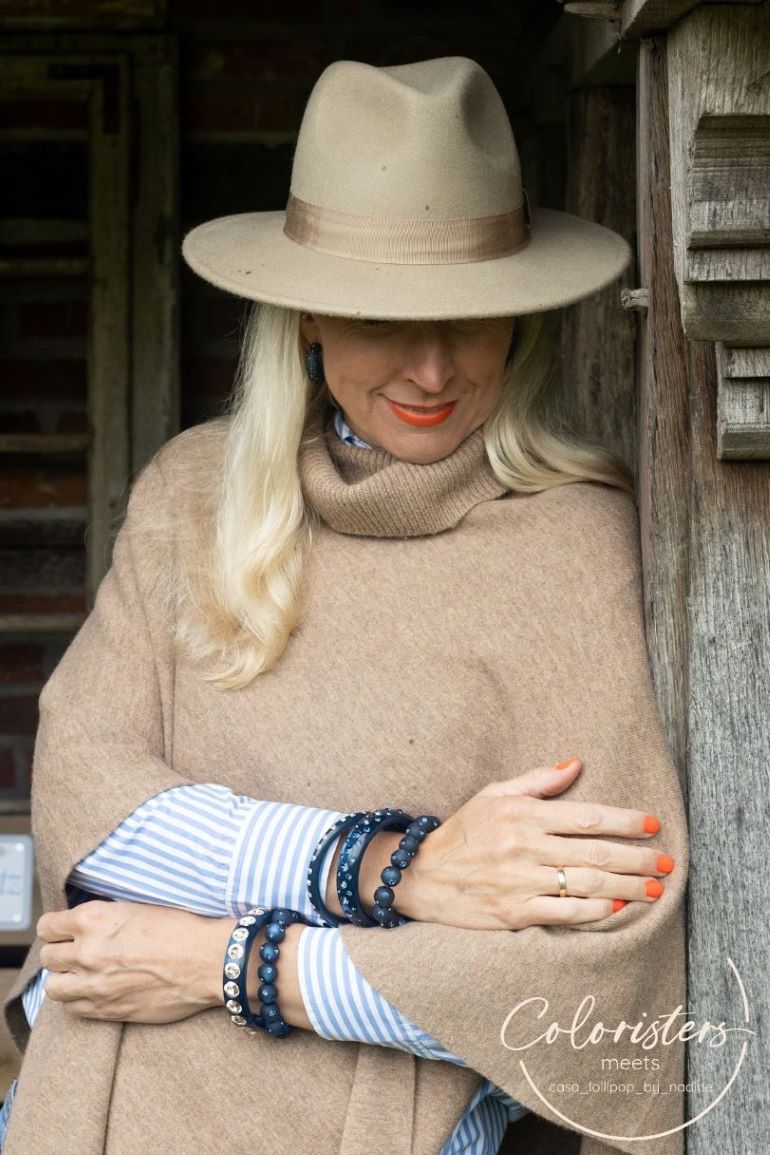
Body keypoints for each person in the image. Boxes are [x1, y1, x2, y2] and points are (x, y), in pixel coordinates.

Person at [0, 56, 688, 1155]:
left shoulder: (571, 546)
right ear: (305, 319)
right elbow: (92, 809)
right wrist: (390, 871)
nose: (429, 369)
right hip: (96, 1097)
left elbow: (593, 964)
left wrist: (228, 963)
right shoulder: (196, 492)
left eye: (469, 318)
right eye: (380, 319)